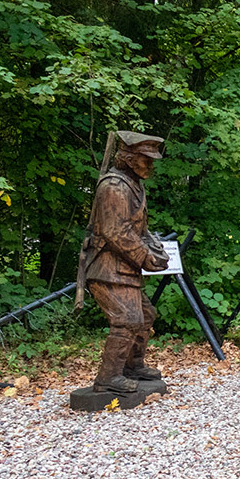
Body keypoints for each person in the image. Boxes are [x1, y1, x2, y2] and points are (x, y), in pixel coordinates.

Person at [77, 131, 171, 393]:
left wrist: (154, 248)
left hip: (124, 268)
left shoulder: (133, 185)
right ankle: (108, 377)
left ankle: (132, 366)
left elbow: (139, 229)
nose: (150, 165)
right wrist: (144, 256)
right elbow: (116, 231)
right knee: (127, 319)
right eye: (145, 159)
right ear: (129, 159)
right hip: (107, 267)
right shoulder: (114, 187)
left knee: (145, 315)